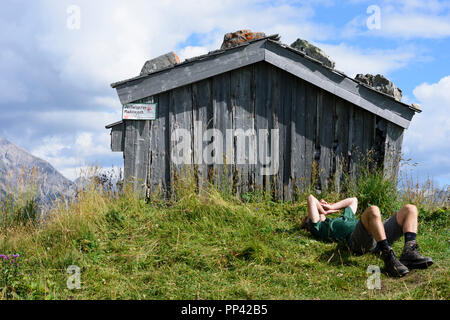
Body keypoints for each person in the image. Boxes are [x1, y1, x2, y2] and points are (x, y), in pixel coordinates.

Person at [302, 194, 433, 277]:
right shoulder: (318, 227)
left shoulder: (343, 218)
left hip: (377, 232)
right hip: (358, 241)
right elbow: (311, 198)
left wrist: (330, 207)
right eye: (312, 214)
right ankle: (388, 257)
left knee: (410, 208)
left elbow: (353, 200)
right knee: (373, 210)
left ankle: (409, 253)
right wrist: (323, 210)